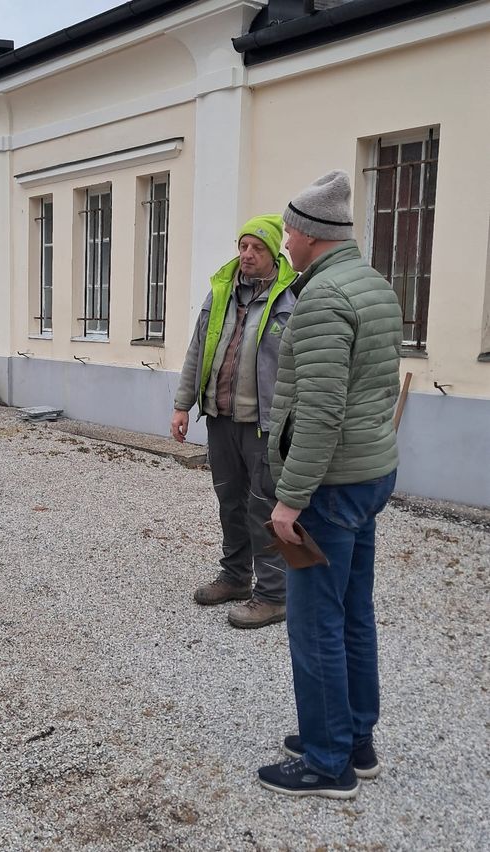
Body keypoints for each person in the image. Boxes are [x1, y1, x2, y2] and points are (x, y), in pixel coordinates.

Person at [257, 171, 402, 799]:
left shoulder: (321, 298)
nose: (284, 242)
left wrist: (290, 499)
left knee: (315, 621)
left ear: (311, 234)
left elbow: (319, 411)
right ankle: (354, 739)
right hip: (369, 474)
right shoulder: (375, 285)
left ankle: (327, 761)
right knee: (353, 612)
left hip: (329, 485)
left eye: (289, 232)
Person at [171, 215, 297, 629]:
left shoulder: (291, 298)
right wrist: (182, 405)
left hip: (264, 425)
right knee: (230, 502)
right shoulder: (221, 293)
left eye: (257, 247)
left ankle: (273, 594)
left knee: (266, 506)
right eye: (243, 246)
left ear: (274, 251)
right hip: (221, 418)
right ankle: (236, 576)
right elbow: (196, 350)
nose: (247, 254)